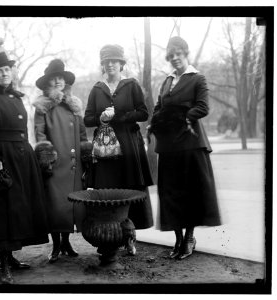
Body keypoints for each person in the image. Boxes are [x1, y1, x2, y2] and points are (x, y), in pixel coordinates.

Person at [0, 52, 50, 284]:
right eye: (0, 70)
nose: (5, 73)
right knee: (1, 210)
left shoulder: (16, 97)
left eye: (7, 69)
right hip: (0, 160)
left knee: (18, 209)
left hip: (22, 159)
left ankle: (13, 257)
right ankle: (3, 262)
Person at [148, 36, 221, 260]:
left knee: (189, 194)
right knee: (170, 193)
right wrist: (157, 122)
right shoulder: (167, 81)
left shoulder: (197, 78)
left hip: (190, 143)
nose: (175, 59)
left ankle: (189, 238)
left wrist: (180, 117)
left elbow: (203, 107)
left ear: (185, 54)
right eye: (171, 56)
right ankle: (178, 240)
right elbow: (160, 106)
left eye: (178, 54)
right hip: (169, 146)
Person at [84, 44, 154, 254]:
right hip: (105, 152)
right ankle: (108, 238)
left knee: (129, 187)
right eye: (107, 62)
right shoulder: (97, 88)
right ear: (103, 65)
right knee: (107, 191)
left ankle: (129, 236)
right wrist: (101, 118)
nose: (111, 64)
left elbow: (143, 113)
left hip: (129, 145)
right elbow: (87, 119)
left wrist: (121, 116)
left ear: (121, 64)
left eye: (114, 61)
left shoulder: (131, 85)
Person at [33, 59, 87, 263]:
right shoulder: (42, 107)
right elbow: (39, 134)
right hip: (55, 165)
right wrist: (46, 157)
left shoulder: (74, 105)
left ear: (65, 81)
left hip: (73, 164)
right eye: (53, 79)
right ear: (47, 83)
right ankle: (56, 245)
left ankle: (66, 242)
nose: (57, 82)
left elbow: (82, 135)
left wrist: (86, 153)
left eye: (60, 78)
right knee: (55, 206)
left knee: (70, 206)